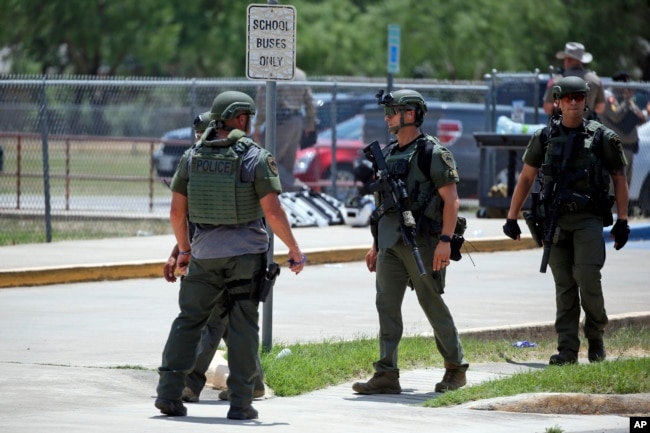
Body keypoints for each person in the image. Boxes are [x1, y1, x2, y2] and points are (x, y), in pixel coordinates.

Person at [155, 90, 306, 420]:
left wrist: (183, 251)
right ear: (240, 117)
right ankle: (240, 404)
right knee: (242, 327)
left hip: (204, 256)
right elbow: (274, 212)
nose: (251, 123)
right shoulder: (254, 156)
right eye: (249, 118)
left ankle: (168, 394)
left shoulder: (193, 156)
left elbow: (177, 213)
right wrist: (294, 249)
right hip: (245, 257)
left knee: (188, 321)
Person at [503, 76, 630, 366]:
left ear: (586, 100)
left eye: (579, 97)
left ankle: (595, 335)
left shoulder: (602, 137)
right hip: (555, 222)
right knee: (564, 286)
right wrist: (512, 217)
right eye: (568, 97)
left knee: (587, 278)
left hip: (588, 219)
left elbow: (619, 179)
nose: (574, 102)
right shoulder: (544, 137)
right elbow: (526, 177)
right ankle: (567, 350)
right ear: (557, 101)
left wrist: (622, 220)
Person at [352, 89, 469, 395]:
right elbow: (381, 208)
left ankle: (456, 368)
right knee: (386, 306)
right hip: (390, 243)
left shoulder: (433, 153)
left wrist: (445, 240)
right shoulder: (388, 154)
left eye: (393, 111)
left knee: (431, 302)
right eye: (388, 111)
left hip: (425, 243)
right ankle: (386, 373)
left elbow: (452, 201)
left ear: (412, 114)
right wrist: (375, 245)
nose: (387, 116)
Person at [162, 111, 265, 404]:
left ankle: (188, 384)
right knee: (230, 323)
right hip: (209, 254)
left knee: (210, 322)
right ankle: (252, 382)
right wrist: (176, 253)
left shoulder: (228, 163)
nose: (198, 139)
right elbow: (191, 219)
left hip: (228, 258)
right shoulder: (200, 161)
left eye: (202, 133)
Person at [253, 67, 316, 192]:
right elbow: (310, 101)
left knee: (266, 160)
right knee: (287, 164)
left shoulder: (271, 71)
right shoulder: (300, 74)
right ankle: (286, 196)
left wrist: (257, 125)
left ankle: (296, 187)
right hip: (297, 120)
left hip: (279, 121)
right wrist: (310, 124)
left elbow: (263, 102)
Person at [599, 70, 647, 187]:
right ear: (620, 83)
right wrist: (627, 100)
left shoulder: (624, 98)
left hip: (629, 149)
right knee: (615, 188)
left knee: (625, 187)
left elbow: (640, 117)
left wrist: (637, 111)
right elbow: (616, 116)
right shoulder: (609, 97)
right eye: (627, 84)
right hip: (615, 149)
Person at [543, 42, 605, 121]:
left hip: (562, 129)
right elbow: (600, 108)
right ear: (581, 60)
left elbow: (547, 108)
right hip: (587, 129)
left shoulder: (557, 81)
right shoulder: (596, 80)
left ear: (567, 60)